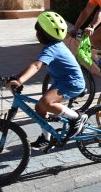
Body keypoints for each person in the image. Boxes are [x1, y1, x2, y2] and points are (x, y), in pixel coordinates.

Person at [7, 11, 87, 150]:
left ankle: (76, 118)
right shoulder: (52, 47)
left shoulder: (52, 49)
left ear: (43, 35)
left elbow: (36, 66)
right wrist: (17, 77)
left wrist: (20, 81)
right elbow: (34, 63)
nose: (36, 34)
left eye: (37, 31)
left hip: (72, 83)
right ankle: (46, 137)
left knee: (46, 102)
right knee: (39, 107)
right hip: (63, 81)